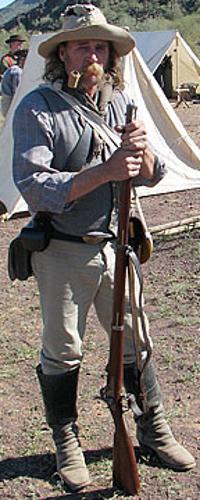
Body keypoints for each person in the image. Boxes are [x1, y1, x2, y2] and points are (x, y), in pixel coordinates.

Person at [12, 2, 195, 493]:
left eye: (100, 46)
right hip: (65, 249)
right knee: (64, 349)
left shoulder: (120, 102)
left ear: (109, 55)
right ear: (63, 54)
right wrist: (107, 170)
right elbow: (35, 186)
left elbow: (151, 173)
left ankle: (151, 428)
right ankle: (66, 440)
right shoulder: (38, 107)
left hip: (120, 244)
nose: (92, 55)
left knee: (138, 339)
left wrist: (145, 156)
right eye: (81, 46)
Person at [1, 49, 28, 117]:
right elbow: (17, 93)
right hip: (11, 103)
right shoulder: (17, 72)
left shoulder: (14, 69)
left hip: (8, 102)